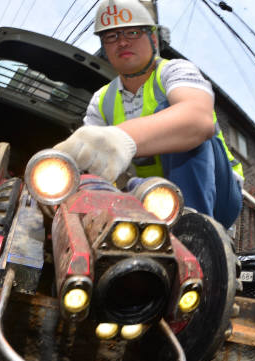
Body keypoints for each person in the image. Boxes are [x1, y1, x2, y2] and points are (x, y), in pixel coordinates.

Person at [54, 0, 243, 229]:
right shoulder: (102, 100)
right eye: (111, 36)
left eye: (132, 32)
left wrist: (121, 137)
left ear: (153, 39)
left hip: (219, 195)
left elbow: (198, 120)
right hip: (151, 194)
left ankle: (192, 230)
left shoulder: (175, 70)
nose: (122, 42)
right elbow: (90, 160)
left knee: (173, 115)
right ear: (104, 47)